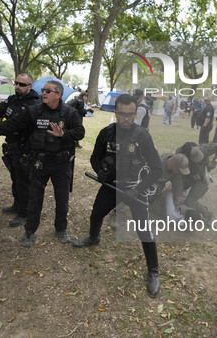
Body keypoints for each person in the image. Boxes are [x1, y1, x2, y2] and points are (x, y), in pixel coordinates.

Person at [72, 94, 163, 297]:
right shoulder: (106, 133)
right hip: (111, 186)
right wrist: (101, 172)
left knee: (144, 232)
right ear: (116, 112)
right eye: (122, 114)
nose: (126, 119)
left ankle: (153, 271)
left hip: (135, 188)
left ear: (135, 114)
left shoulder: (143, 137)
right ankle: (93, 238)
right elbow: (95, 157)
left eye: (131, 115)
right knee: (96, 215)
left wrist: (137, 190)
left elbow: (157, 170)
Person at [0, 80, 85, 247]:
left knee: (62, 199)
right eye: (44, 90)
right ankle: (29, 232)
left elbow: (80, 133)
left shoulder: (70, 113)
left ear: (58, 95)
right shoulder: (35, 111)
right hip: (40, 162)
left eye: (48, 91)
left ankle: (61, 229)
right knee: (34, 199)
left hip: (61, 163)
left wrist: (64, 134)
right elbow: (12, 124)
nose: (43, 93)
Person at [0, 73, 40, 227]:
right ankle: (17, 205)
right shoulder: (12, 99)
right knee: (15, 178)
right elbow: (2, 113)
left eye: (22, 84)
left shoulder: (34, 104)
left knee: (24, 181)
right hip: (12, 145)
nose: (17, 86)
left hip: (25, 147)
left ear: (30, 86)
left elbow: (16, 124)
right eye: (16, 83)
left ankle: (24, 213)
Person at [175, 142, 217, 220]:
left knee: (190, 202)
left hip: (203, 178)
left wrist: (214, 162)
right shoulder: (179, 154)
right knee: (175, 194)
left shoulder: (204, 149)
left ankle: (209, 216)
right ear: (186, 155)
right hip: (188, 177)